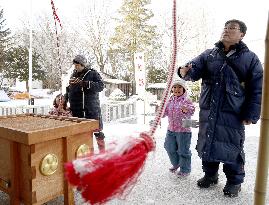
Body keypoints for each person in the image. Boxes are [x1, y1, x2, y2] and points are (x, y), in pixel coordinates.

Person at [178, 19, 263, 197]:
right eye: (225, 27)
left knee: (232, 146)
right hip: (209, 109)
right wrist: (184, 71)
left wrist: (251, 113)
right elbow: (193, 69)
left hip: (233, 112)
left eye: (232, 28)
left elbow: (257, 89)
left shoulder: (251, 58)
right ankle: (210, 174)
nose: (227, 30)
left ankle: (234, 182)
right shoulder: (209, 54)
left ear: (242, 35)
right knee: (207, 143)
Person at [65, 55, 106, 152]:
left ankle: (103, 153)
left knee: (97, 132)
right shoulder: (73, 74)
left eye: (77, 65)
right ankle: (84, 154)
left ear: (83, 65)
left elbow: (101, 86)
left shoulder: (92, 73)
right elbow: (69, 89)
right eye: (75, 65)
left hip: (91, 109)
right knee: (81, 134)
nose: (75, 67)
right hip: (77, 110)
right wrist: (65, 98)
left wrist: (86, 84)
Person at [163, 78, 195, 177]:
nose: (177, 89)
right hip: (171, 129)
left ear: (184, 89)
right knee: (169, 147)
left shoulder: (186, 100)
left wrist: (186, 110)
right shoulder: (169, 100)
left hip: (184, 130)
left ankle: (185, 169)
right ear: (172, 89)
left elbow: (192, 110)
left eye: (180, 87)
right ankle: (176, 164)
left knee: (183, 150)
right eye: (175, 87)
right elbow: (164, 113)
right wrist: (160, 109)